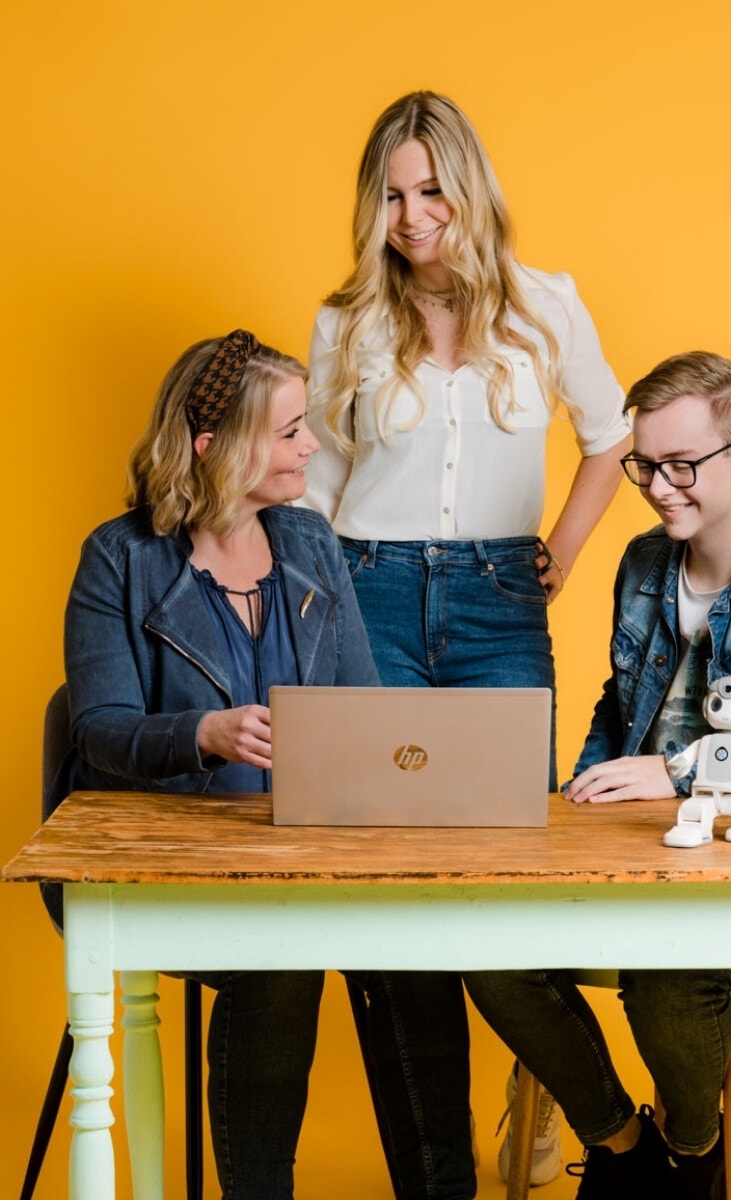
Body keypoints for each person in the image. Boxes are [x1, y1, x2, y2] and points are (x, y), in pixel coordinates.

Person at [299, 91, 632, 1194]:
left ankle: (556, 1105)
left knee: (510, 870)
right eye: (392, 196)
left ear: (469, 187)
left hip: (498, 603)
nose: (412, 217)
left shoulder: (547, 306)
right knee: (395, 880)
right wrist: (317, 610)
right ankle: (436, 1172)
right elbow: (321, 484)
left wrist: (562, 553)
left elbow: (610, 437)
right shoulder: (346, 323)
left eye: (431, 190)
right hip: (370, 592)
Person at [464, 349, 731, 1200]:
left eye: (681, 465)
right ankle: (622, 1146)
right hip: (624, 854)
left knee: (665, 977)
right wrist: (580, 795)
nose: (658, 487)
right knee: (481, 945)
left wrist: (682, 777)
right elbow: (619, 702)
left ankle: (696, 1154)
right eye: (644, 465)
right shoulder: (643, 562)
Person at [49, 330, 381, 1200]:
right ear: (213, 446)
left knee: (414, 951)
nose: (313, 447)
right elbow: (100, 729)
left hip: (297, 859)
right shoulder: (119, 557)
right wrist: (206, 733)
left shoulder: (311, 544)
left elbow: (366, 707)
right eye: (291, 432)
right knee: (282, 955)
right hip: (163, 865)